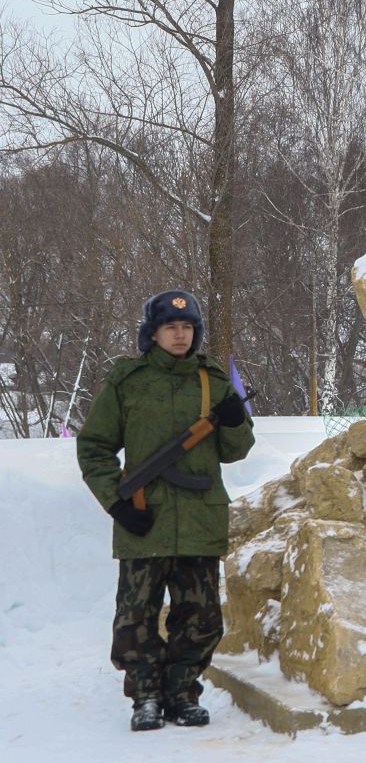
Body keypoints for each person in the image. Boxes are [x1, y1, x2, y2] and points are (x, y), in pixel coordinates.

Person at [75, 291, 255, 731]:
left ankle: (182, 694)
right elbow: (94, 447)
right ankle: (147, 698)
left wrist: (234, 422)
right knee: (134, 617)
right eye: (171, 327)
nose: (180, 334)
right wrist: (115, 502)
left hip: (199, 517)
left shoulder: (212, 380)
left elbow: (236, 451)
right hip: (144, 518)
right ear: (152, 332)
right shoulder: (128, 381)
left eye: (188, 327)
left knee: (201, 616)